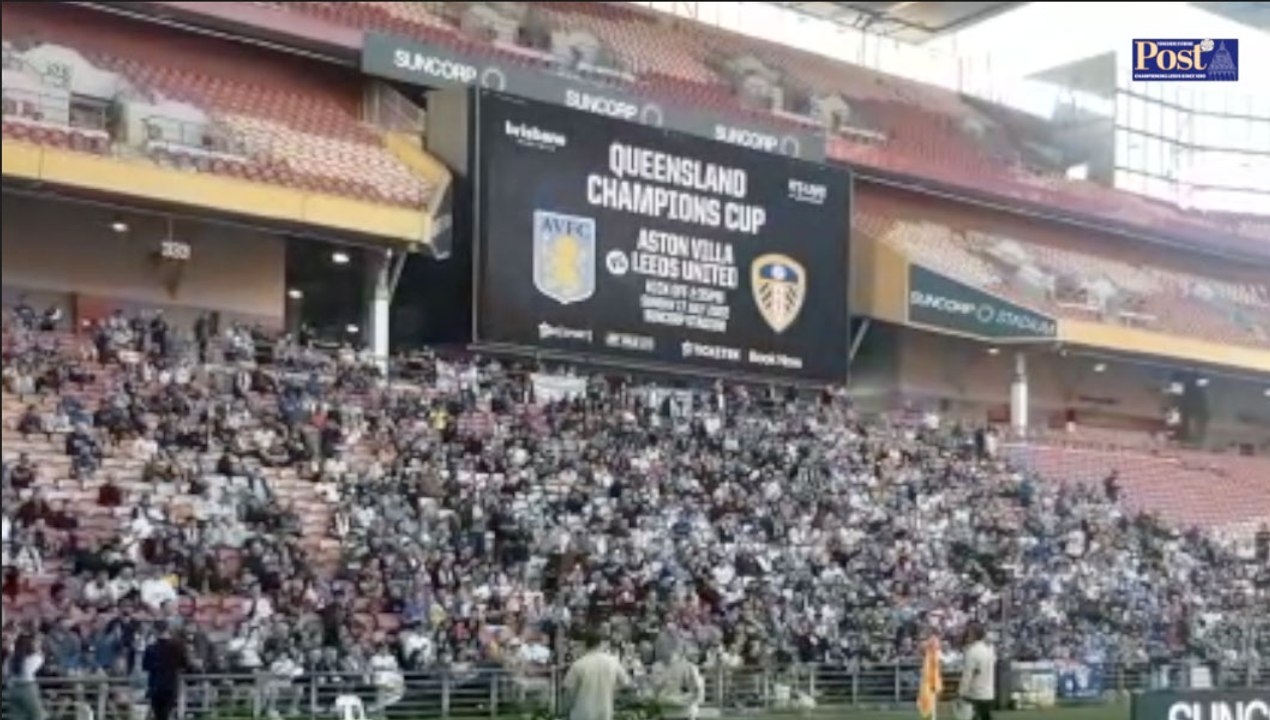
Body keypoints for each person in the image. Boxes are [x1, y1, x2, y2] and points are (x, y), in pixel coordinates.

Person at [562, 631, 629, 720]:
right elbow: (625, 683)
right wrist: (612, 689)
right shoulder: (613, 662)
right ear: (601, 643)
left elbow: (568, 690)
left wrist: (567, 709)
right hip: (605, 713)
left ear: (585, 644)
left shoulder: (578, 665)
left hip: (581, 714)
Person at [141, 622, 192, 720]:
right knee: (168, 712)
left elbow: (145, 666)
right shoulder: (177, 647)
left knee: (158, 714)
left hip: (155, 685)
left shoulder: (151, 648)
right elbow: (185, 664)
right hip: (171, 684)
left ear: (155, 631)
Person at [5, 631, 46, 720]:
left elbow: (5, 672)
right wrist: (39, 650)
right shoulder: (34, 658)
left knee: (17, 716)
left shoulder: (11, 658)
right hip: (28, 687)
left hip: (14, 688)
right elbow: (36, 664)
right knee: (37, 715)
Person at [959, 623, 996, 720]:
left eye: (969, 634)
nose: (967, 636)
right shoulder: (989, 650)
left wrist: (961, 692)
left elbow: (967, 675)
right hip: (989, 692)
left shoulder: (972, 652)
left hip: (976, 693)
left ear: (974, 635)